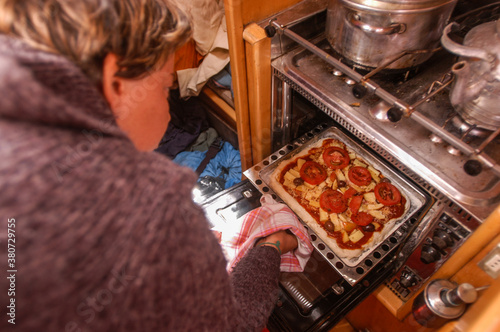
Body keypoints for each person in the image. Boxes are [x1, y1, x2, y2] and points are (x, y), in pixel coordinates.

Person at [0, 0, 301, 331]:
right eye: (165, 84)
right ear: (116, 82)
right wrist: (269, 248)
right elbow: (229, 323)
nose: (170, 100)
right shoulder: (152, 204)